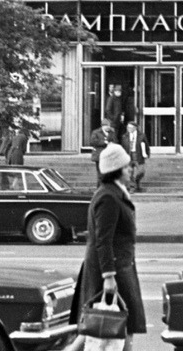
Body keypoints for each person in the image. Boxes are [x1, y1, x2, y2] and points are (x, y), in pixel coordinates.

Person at [66, 143, 146, 351]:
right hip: (111, 272)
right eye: (127, 167)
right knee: (109, 326)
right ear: (116, 170)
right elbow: (103, 240)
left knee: (107, 327)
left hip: (118, 268)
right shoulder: (108, 197)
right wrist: (109, 277)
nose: (131, 170)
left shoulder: (114, 193)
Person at [121, 121, 150, 192]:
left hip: (138, 155)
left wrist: (147, 154)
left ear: (135, 128)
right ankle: (132, 187)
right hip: (128, 155)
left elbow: (146, 145)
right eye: (128, 127)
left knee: (141, 171)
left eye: (130, 127)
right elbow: (123, 147)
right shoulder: (125, 136)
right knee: (130, 172)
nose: (129, 129)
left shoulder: (141, 135)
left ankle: (136, 181)